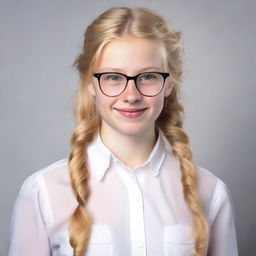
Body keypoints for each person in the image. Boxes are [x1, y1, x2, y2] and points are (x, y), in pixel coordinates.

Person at [8, 7, 238, 256]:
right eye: (113, 77)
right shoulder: (42, 192)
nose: (131, 95)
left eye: (148, 76)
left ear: (169, 84)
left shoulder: (211, 192)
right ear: (90, 83)